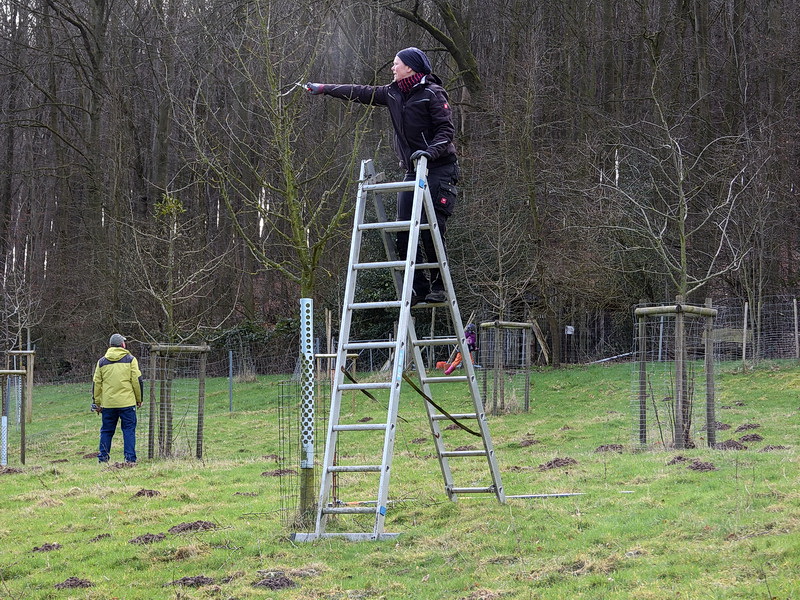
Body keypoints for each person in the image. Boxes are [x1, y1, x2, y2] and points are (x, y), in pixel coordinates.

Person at [306, 47, 459, 304]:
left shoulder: (432, 93)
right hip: (413, 170)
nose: (392, 68)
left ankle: (439, 286)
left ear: (410, 67)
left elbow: (446, 130)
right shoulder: (393, 93)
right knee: (402, 229)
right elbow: (359, 91)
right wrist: (323, 88)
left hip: (438, 168)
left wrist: (430, 152)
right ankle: (419, 288)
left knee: (428, 228)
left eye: (396, 64)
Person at [92, 333, 143, 464]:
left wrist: (97, 403)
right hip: (127, 403)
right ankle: (130, 459)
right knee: (128, 430)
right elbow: (137, 381)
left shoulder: (102, 362)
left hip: (108, 404)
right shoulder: (131, 359)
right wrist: (139, 399)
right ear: (122, 345)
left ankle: (103, 458)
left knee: (106, 431)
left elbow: (97, 383)